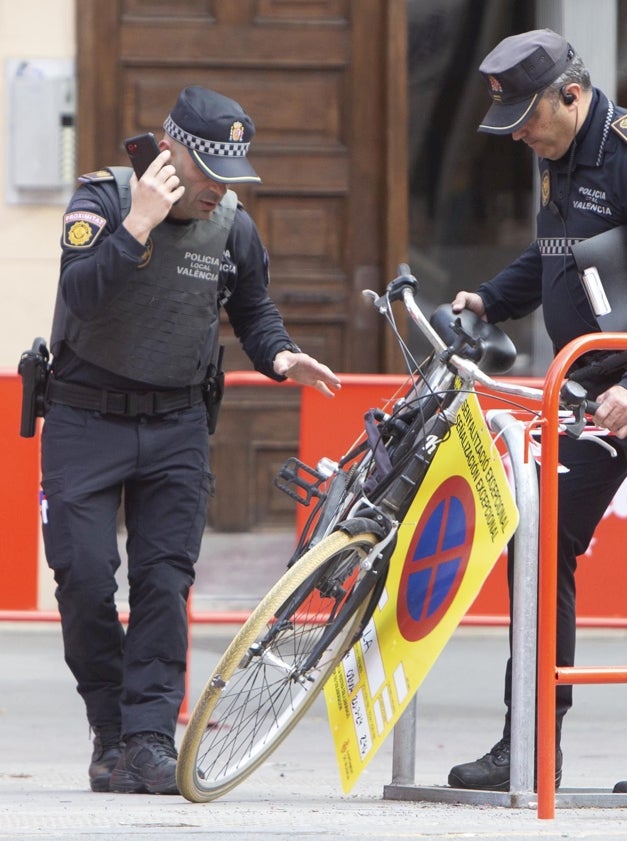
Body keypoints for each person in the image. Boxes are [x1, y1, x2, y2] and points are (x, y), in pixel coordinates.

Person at [40, 85, 341, 795]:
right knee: (83, 580)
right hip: (86, 417)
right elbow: (79, 293)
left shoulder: (232, 226)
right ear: (170, 153)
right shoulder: (103, 202)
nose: (221, 191)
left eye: (233, 176)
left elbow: (254, 308)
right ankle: (108, 730)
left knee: (163, 584)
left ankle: (147, 739)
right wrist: (137, 225)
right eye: (211, 174)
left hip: (176, 423)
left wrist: (279, 357)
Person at [446, 29, 627, 793]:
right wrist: (490, 301)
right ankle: (527, 739)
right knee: (534, 542)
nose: (523, 136)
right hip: (592, 395)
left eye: (530, 118)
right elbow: (554, 251)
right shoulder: (554, 155)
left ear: (572, 93)